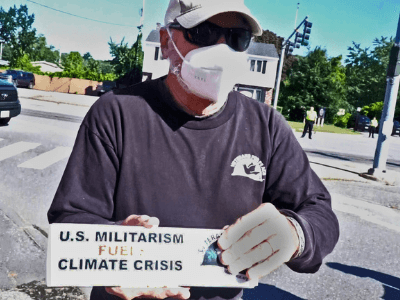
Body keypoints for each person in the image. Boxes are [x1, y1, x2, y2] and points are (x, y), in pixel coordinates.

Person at [47, 1, 339, 299]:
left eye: (238, 37)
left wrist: (293, 234)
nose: (222, 49)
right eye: (204, 33)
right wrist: (114, 241)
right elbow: (71, 218)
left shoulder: (265, 125)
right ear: (165, 42)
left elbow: (319, 212)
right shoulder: (117, 113)